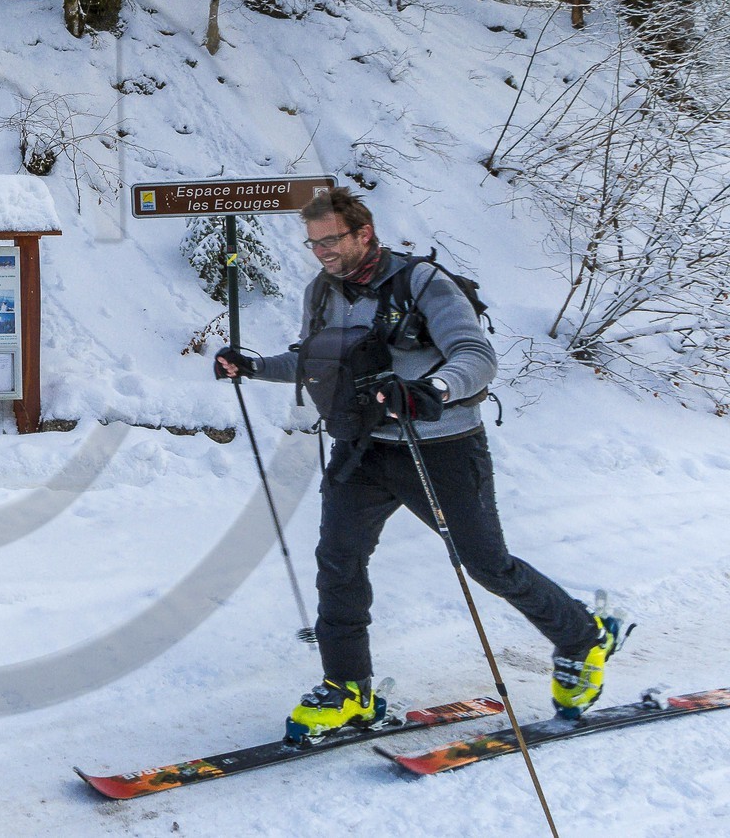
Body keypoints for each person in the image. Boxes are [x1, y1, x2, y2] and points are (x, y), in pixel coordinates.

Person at [214, 187, 625, 739]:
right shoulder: (322, 291)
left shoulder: (423, 283)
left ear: (365, 234)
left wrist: (433, 389)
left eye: (331, 240)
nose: (322, 252)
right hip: (363, 447)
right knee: (338, 560)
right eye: (313, 243)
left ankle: (583, 636)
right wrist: (255, 366)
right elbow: (315, 359)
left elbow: (476, 357)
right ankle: (349, 688)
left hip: (440, 447)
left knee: (487, 564)